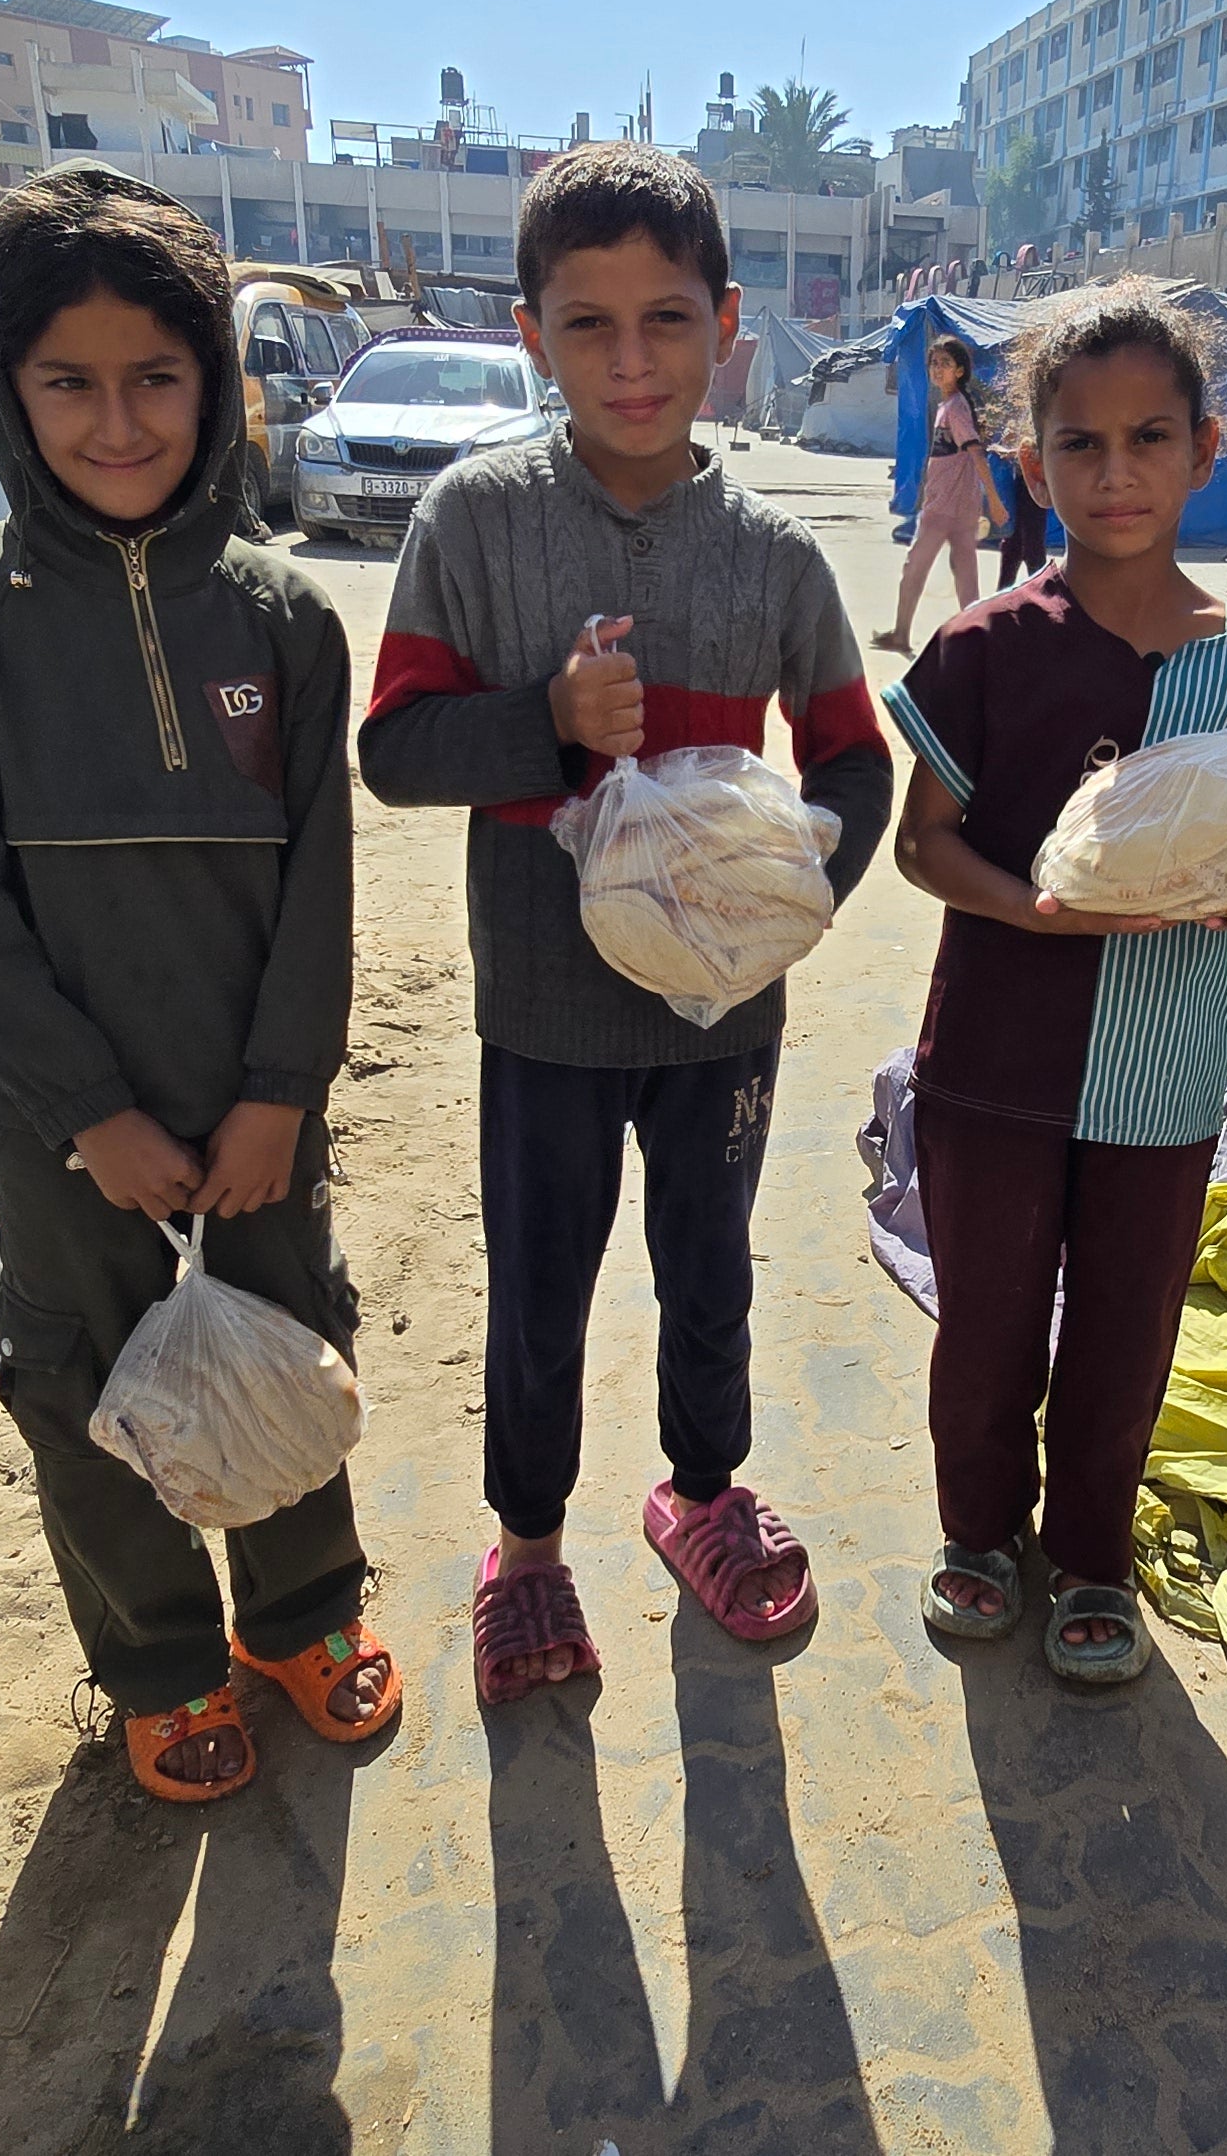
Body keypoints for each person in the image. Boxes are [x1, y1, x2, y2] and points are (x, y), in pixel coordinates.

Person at [0, 165, 397, 1805]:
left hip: (254, 1101)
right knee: (87, 1378)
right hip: (68, 1124)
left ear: (215, 385)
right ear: (5, 387)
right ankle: (160, 1658)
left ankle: (302, 1612)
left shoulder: (284, 615)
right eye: (68, 383)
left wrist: (277, 1092)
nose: (117, 423)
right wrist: (84, 1108)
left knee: (283, 1343)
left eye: (155, 378)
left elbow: (323, 875)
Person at [356, 143, 894, 1703]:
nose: (633, 361)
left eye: (666, 319)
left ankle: (702, 1496)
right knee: (542, 1284)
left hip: (724, 1015)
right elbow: (395, 750)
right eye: (587, 325)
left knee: (708, 1264)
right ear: (530, 333)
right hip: (545, 1007)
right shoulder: (471, 521)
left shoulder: (781, 557)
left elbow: (853, 754)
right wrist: (546, 723)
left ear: (728, 324)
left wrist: (796, 896)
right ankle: (526, 1551)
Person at [878, 280, 1227, 1683]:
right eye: (1080, 445)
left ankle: (1092, 1562)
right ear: (1031, 465)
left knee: (1125, 1344)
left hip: (1166, 1073)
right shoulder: (983, 649)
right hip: (995, 1064)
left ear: (1209, 448)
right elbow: (922, 846)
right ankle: (976, 1534)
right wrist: (1038, 910)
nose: (1116, 474)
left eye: (1150, 439)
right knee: (990, 1327)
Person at [872, 333, 1002, 653]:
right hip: (959, 506)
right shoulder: (950, 405)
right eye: (933, 363)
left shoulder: (955, 408)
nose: (937, 369)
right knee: (965, 575)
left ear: (959, 370)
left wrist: (995, 501)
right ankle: (976, 642)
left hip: (945, 508)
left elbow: (975, 453)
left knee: (915, 569)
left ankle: (902, 635)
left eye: (945, 363)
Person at [991, 445, 1052, 589]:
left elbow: (1037, 447)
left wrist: (1012, 454)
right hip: (1024, 480)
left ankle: (1042, 593)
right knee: (1014, 545)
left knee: (1032, 545)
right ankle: (1003, 595)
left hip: (1034, 482)